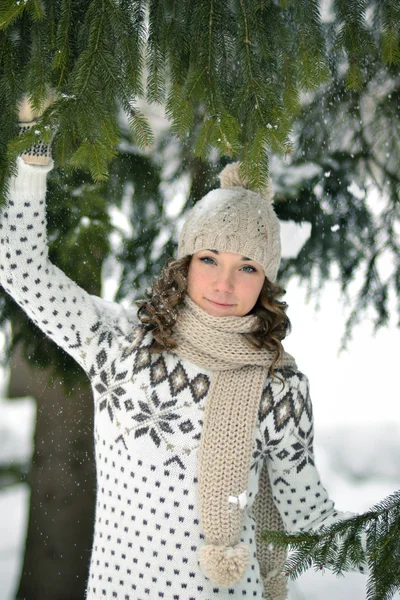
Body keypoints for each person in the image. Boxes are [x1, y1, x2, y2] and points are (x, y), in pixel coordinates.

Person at [0, 97, 366, 600]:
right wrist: (33, 150)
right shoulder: (119, 344)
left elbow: (309, 520)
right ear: (185, 262)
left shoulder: (280, 388)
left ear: (266, 281)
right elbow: (22, 271)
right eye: (210, 259)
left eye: (248, 267)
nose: (224, 282)